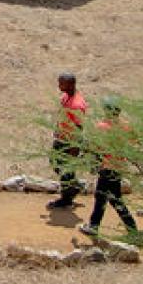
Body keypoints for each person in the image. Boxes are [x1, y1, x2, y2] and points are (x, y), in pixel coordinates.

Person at [78, 98, 140, 238]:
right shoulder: (126, 126)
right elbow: (135, 141)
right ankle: (95, 226)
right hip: (119, 166)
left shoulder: (102, 126)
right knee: (105, 198)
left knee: (110, 199)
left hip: (106, 167)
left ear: (107, 111)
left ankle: (131, 230)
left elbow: (94, 147)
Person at [48, 73, 88, 209]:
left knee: (66, 168)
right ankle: (73, 186)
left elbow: (78, 128)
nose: (59, 86)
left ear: (70, 84)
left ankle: (66, 199)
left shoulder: (77, 104)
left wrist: (74, 148)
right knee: (55, 161)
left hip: (70, 141)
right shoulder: (66, 97)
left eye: (61, 83)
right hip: (62, 137)